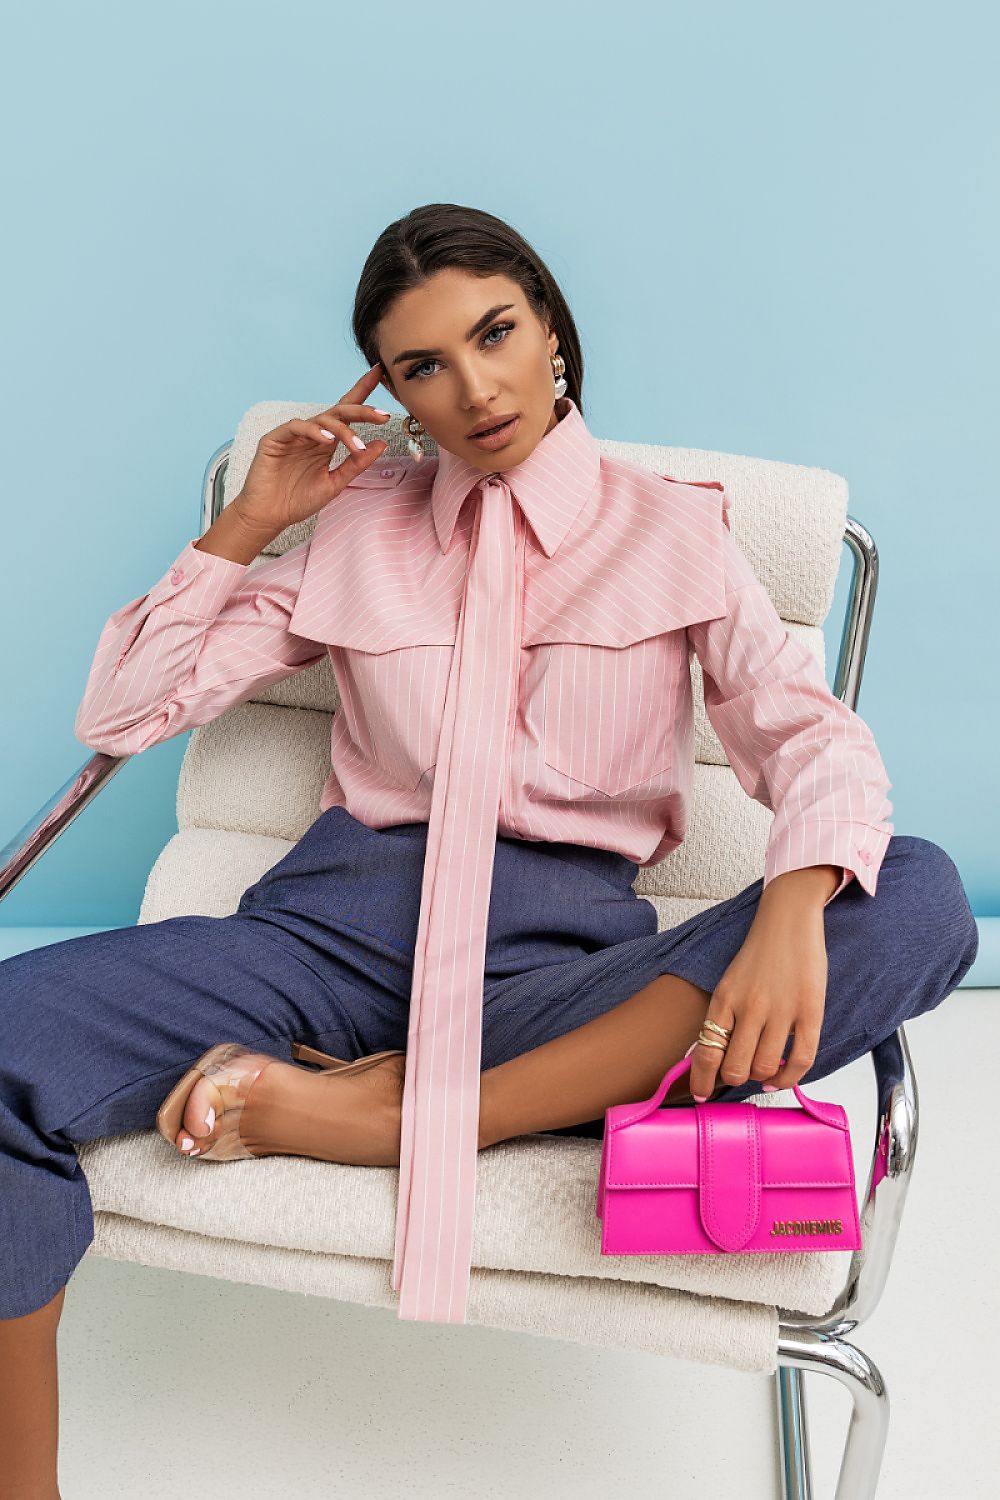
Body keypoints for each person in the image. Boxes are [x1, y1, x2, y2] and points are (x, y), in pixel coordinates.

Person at [0, 203, 979, 1487]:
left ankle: (398, 1118)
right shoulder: (360, 530)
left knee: (918, 894)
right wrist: (247, 523)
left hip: (552, 986)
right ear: (391, 393)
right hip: (324, 945)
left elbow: (810, 739)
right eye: (423, 365)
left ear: (552, 332)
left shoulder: (674, 532)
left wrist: (796, 904)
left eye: (495, 333)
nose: (472, 388)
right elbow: (124, 715)